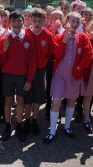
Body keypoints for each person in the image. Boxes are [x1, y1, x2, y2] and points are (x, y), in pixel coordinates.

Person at [43, 12, 93, 144]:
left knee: (71, 101)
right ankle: (52, 131)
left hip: (74, 75)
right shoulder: (59, 36)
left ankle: (67, 127)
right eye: (73, 21)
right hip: (60, 74)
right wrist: (64, 41)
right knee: (56, 102)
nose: (75, 24)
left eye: (77, 22)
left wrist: (78, 68)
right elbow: (57, 56)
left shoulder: (83, 37)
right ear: (67, 21)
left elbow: (88, 55)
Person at [0, 11, 36, 142]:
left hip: (22, 76)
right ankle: (8, 126)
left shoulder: (28, 39)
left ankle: (19, 126)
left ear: (23, 22)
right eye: (13, 21)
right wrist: (4, 50)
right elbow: (1, 60)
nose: (16, 23)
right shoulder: (5, 38)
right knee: (8, 101)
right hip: (8, 75)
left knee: (20, 101)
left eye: (19, 21)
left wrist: (29, 79)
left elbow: (32, 62)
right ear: (9, 22)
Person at [24, 8, 54, 136]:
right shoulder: (25, 33)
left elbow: (50, 53)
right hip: (25, 72)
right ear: (30, 20)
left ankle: (35, 120)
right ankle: (26, 120)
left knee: (37, 98)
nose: (36, 23)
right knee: (27, 97)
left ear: (44, 21)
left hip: (40, 71)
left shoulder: (48, 35)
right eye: (34, 20)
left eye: (39, 20)